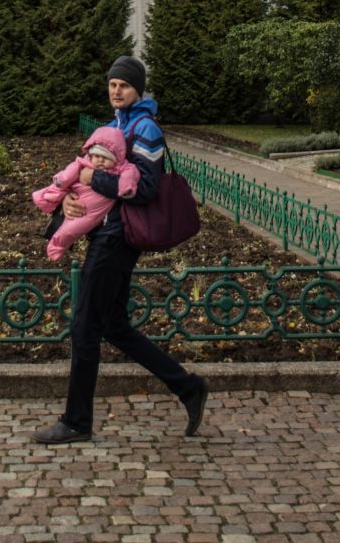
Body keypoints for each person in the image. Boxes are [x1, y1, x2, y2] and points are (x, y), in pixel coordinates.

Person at [31, 55, 208, 444]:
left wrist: (95, 176)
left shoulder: (145, 130)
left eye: (124, 85)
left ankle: (77, 421)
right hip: (105, 234)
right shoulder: (113, 127)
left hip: (118, 239)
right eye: (112, 84)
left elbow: (144, 189)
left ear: (138, 90)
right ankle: (188, 387)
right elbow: (84, 180)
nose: (116, 90)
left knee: (84, 327)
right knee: (113, 326)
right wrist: (67, 203)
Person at [32, 126, 140, 263]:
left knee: (72, 229)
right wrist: (62, 182)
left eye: (105, 157)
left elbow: (130, 176)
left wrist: (126, 188)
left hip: (94, 208)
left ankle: (57, 246)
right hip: (79, 193)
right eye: (97, 156)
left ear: (116, 158)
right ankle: (43, 199)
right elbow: (70, 172)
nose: (100, 160)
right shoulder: (85, 162)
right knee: (55, 192)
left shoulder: (122, 167)